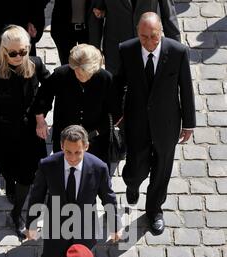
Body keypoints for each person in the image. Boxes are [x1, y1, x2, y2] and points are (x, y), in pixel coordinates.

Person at [114, 12, 195, 235]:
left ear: (161, 31)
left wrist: (188, 123)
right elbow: (119, 83)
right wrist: (115, 112)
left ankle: (154, 210)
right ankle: (132, 184)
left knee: (162, 170)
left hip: (167, 123)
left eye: (154, 36)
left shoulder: (178, 52)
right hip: (137, 122)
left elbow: (185, 89)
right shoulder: (127, 50)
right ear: (137, 33)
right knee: (135, 167)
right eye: (144, 37)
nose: (149, 42)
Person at [0, 25, 49, 238]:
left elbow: (50, 86)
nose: (19, 56)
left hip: (29, 133)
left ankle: (17, 213)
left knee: (27, 176)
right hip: (3, 132)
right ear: (4, 50)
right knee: (8, 170)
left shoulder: (35, 64)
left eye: (24, 51)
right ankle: (9, 184)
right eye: (14, 53)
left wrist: (40, 115)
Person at [25, 125, 122, 257]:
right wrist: (31, 223)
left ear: (86, 146)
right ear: (62, 146)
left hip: (84, 227)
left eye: (78, 152)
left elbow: (108, 197)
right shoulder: (47, 165)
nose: (72, 157)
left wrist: (115, 225)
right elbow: (37, 195)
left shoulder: (99, 168)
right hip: (56, 225)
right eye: (68, 152)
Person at [34, 44, 114, 170]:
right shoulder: (61, 74)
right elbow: (43, 95)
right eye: (76, 71)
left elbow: (114, 110)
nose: (80, 75)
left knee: (93, 175)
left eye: (85, 72)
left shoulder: (106, 79)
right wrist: (40, 119)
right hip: (65, 134)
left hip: (96, 137)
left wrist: (96, 132)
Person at [92, 0, 181, 75]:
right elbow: (96, 13)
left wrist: (176, 54)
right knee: (116, 93)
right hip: (116, 51)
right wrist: (94, 50)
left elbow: (169, 15)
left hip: (150, 51)